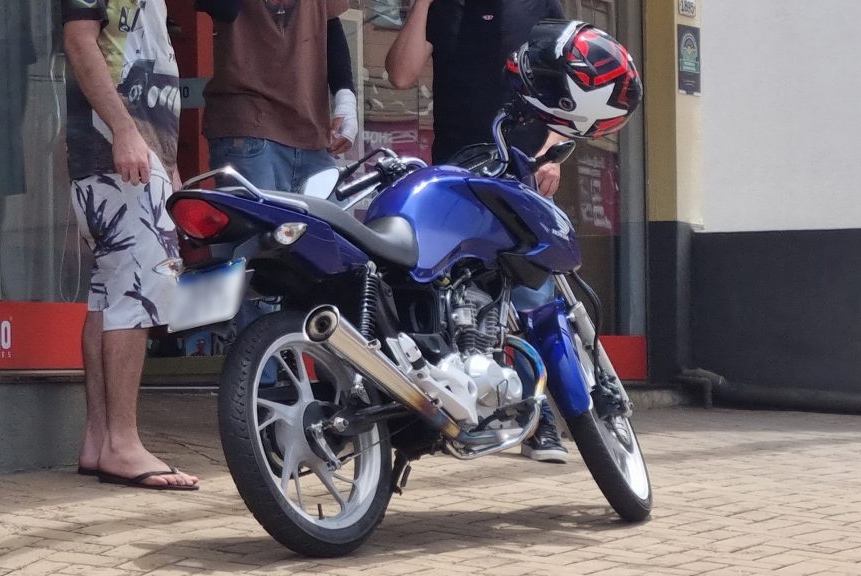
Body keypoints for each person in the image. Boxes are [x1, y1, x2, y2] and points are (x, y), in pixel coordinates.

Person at [386, 0, 571, 463]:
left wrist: (552, 150)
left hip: (524, 168)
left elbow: (568, 81)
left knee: (531, 296)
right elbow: (400, 75)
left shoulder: (536, 5)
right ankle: (463, 410)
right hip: (456, 171)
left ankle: (540, 416)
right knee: (461, 298)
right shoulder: (445, 8)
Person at [63, 0, 198, 490]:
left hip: (136, 147)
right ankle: (123, 443)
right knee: (137, 286)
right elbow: (79, 39)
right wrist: (123, 131)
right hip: (114, 146)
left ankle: (101, 441)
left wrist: (167, 159)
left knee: (109, 290)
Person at [200, 0, 358, 193]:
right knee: (260, 222)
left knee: (329, 222)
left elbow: (330, 23)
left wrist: (345, 97)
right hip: (249, 125)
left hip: (311, 132)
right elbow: (222, 8)